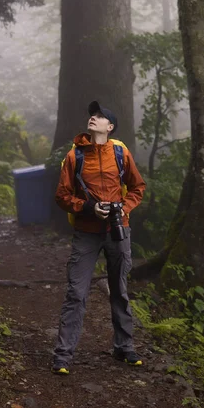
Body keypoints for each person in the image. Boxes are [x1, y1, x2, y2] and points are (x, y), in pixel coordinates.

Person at [51, 100, 146, 375]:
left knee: (120, 290)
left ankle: (124, 348)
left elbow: (137, 187)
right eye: (92, 115)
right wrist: (87, 207)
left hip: (118, 231)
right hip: (86, 233)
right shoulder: (75, 156)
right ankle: (63, 355)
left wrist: (122, 208)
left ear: (110, 126)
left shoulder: (120, 152)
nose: (93, 118)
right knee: (76, 292)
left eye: (100, 116)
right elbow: (62, 196)